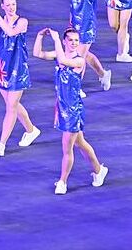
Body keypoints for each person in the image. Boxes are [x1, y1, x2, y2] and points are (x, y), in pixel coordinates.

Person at [33, 27, 108, 195]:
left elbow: (63, 60)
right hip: (62, 106)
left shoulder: (79, 60)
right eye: (71, 40)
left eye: (76, 40)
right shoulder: (61, 54)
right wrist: (39, 36)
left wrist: (56, 40)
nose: (74, 43)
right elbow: (38, 53)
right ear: (66, 41)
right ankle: (98, 170)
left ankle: (62, 182)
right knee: (80, 143)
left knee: (67, 148)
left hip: (73, 110)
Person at [0, 0, 40, 156]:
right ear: (3, 6)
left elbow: (11, 33)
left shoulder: (22, 21)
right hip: (3, 68)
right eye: (8, 5)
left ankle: (1, 143)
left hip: (17, 68)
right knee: (13, 104)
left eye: (13, 4)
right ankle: (31, 130)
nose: (12, 7)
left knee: (11, 107)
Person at [52, 0, 111, 91]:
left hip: (86, 25)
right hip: (74, 25)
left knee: (80, 57)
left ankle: (76, 88)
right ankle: (103, 74)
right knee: (86, 54)